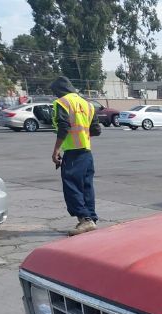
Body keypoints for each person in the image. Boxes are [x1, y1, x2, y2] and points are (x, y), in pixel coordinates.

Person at [49, 76, 101, 236]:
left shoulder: (62, 103)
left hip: (72, 152)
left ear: (58, 90)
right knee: (86, 185)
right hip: (86, 152)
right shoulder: (88, 104)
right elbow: (96, 130)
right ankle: (90, 217)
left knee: (72, 185)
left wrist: (56, 150)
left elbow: (63, 127)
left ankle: (84, 220)